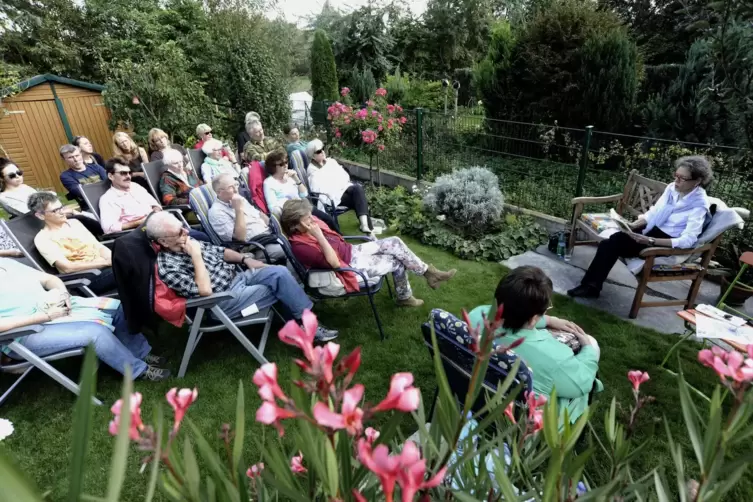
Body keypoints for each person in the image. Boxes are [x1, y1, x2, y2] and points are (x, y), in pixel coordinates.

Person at [145, 211, 338, 342]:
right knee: (278, 285)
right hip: (223, 301)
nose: (186, 232)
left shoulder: (187, 240)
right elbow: (205, 291)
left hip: (240, 277)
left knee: (279, 272)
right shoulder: (167, 266)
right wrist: (195, 256)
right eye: (180, 231)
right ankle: (309, 326)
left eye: (183, 227)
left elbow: (221, 252)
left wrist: (246, 260)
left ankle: (302, 320)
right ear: (163, 241)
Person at [0, 257, 170, 381]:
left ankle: (140, 353)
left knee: (115, 307)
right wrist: (45, 316)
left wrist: (63, 293)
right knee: (95, 333)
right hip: (24, 333)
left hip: (53, 308)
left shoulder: (7, 263)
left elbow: (49, 279)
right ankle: (138, 371)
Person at [468, 266, 602, 422]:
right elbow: (583, 382)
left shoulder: (476, 317)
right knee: (592, 345)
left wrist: (549, 320)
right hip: (521, 422)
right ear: (533, 319)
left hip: (475, 396)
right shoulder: (553, 358)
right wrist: (587, 348)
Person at [568, 156, 714, 298]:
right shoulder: (672, 189)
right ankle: (591, 286)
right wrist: (633, 225)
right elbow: (654, 213)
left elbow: (688, 240)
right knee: (613, 239)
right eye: (676, 175)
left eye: (682, 178)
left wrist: (650, 241)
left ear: (698, 181)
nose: (676, 181)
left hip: (664, 242)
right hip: (651, 230)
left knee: (612, 243)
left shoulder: (699, 205)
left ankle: (590, 287)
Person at [281, 198, 456, 307]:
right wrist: (319, 236)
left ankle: (428, 273)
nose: (313, 220)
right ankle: (405, 296)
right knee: (396, 261)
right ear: (294, 225)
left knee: (395, 242)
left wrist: (316, 228)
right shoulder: (301, 246)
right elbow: (334, 264)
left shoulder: (306, 228)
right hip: (346, 267)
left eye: (311, 216)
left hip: (351, 251)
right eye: (308, 219)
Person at [29, 192, 116, 295]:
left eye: (61, 207)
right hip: (87, 278)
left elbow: (98, 246)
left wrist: (112, 259)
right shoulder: (43, 238)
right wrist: (106, 263)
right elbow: (67, 268)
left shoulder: (75, 223)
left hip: (106, 268)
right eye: (55, 211)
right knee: (131, 268)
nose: (62, 212)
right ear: (40, 215)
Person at [1, 158, 103, 236]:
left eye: (19, 173)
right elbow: (33, 212)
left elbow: (44, 202)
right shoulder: (4, 197)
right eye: (12, 175)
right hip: (43, 223)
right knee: (81, 218)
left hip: (54, 215)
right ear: (2, 179)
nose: (18, 176)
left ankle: (107, 232)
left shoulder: (25, 187)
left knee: (87, 216)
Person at [209, 174, 285, 262]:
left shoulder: (239, 198)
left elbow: (259, 214)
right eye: (231, 187)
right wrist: (238, 210)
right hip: (256, 246)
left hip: (271, 235)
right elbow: (240, 238)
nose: (236, 190)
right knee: (289, 248)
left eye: (236, 185)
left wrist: (274, 226)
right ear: (219, 192)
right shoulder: (216, 212)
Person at [305, 139, 372, 233]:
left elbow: (344, 176)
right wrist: (335, 182)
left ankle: (364, 225)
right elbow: (317, 188)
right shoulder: (312, 170)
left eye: (323, 149)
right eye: (319, 151)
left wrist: (335, 182)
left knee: (357, 189)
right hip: (330, 198)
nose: (323, 152)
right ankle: (367, 228)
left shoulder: (330, 161)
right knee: (358, 197)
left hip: (342, 190)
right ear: (312, 155)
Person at [263, 149, 340, 230]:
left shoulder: (290, 177)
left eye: (286, 162)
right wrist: (292, 205)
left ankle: (341, 240)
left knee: (328, 220)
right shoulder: (269, 183)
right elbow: (273, 208)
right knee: (320, 226)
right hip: (293, 214)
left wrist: (296, 179)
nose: (285, 165)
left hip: (304, 207)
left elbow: (304, 194)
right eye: (281, 164)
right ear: (272, 167)